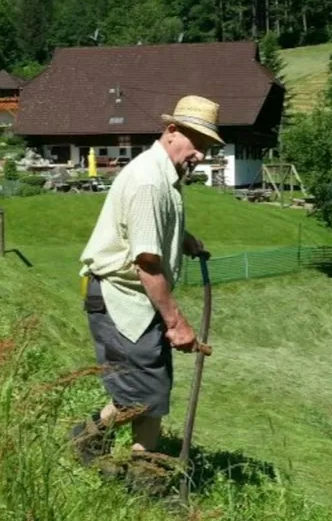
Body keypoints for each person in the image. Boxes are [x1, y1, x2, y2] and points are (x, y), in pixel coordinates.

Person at [72, 95, 222, 461]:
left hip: (137, 299)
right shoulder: (150, 183)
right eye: (196, 143)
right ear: (171, 131)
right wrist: (177, 323)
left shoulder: (164, 176)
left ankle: (130, 463)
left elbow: (146, 229)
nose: (200, 155)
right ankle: (97, 449)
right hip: (122, 298)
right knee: (139, 395)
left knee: (149, 391)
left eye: (206, 147)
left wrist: (181, 237)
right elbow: (147, 264)